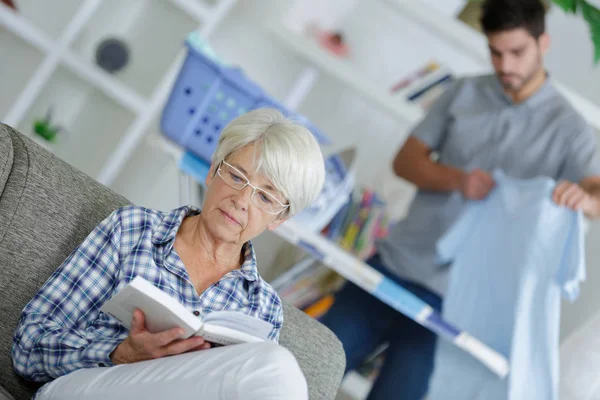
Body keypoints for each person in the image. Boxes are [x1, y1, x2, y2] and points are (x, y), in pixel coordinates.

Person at [320, 0, 600, 399]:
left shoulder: (569, 130)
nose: (505, 66)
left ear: (544, 43)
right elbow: (405, 160)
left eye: (517, 53)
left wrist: (584, 200)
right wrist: (456, 180)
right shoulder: (465, 92)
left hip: (460, 308)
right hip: (395, 265)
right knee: (307, 369)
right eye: (496, 52)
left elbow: (597, 192)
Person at [12, 108, 326, 400]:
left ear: (279, 219)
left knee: (275, 371)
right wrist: (119, 352)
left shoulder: (263, 307)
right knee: (277, 366)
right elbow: (28, 347)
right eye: (235, 176)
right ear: (213, 171)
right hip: (86, 389)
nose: (242, 200)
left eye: (265, 197)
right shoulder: (133, 230)